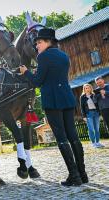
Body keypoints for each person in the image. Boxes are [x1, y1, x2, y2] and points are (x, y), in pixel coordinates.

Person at [19, 28, 87, 186]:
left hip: (53, 101)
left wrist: (26, 72)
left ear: (49, 42)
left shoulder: (43, 57)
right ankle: (82, 174)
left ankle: (74, 176)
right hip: (67, 99)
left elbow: (37, 81)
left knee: (62, 138)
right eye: (36, 44)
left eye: (39, 42)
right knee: (74, 137)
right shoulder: (63, 55)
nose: (37, 46)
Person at [80, 84, 104, 148]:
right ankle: (93, 143)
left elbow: (98, 105)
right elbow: (82, 107)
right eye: (86, 88)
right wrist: (84, 116)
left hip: (96, 113)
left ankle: (98, 142)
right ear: (84, 89)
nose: (87, 89)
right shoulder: (83, 97)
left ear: (91, 88)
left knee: (97, 128)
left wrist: (100, 114)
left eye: (88, 88)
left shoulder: (94, 95)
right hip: (88, 114)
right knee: (91, 129)